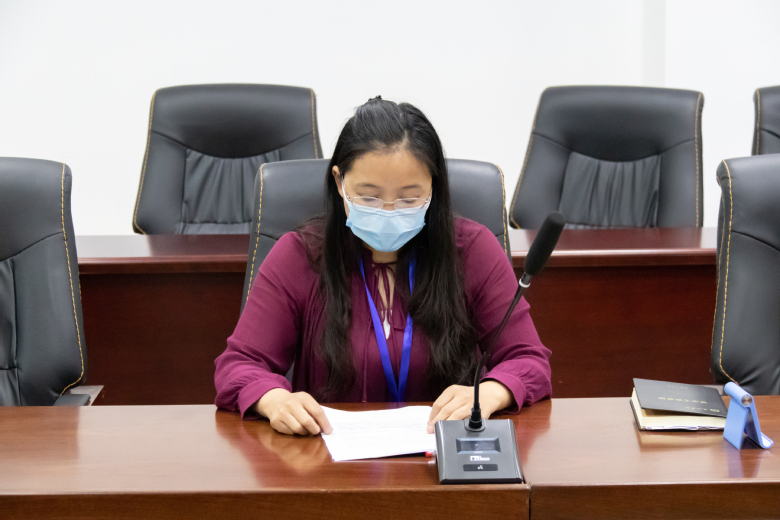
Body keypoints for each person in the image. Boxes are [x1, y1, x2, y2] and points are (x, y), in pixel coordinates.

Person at [214, 97, 551, 436]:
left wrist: (491, 392)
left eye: (409, 198)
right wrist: (273, 400)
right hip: (327, 457)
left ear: (434, 188)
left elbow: (528, 361)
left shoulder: (473, 251)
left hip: (441, 454)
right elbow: (239, 366)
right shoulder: (299, 255)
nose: (388, 211)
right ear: (339, 182)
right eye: (369, 197)